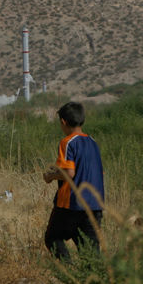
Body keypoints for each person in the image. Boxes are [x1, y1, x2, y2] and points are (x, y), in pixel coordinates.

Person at [43, 102, 105, 260]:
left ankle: (69, 273)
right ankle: (93, 282)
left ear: (63, 122)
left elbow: (69, 173)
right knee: (91, 253)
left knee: (53, 238)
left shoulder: (67, 142)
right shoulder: (93, 142)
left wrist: (50, 176)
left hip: (72, 205)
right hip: (95, 206)